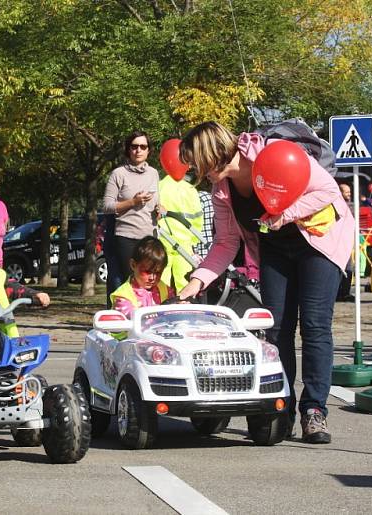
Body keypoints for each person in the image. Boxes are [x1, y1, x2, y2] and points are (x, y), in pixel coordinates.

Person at [177, 122, 354, 444]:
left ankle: (314, 411)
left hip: (319, 241)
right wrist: (196, 281)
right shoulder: (222, 190)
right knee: (275, 328)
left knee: (314, 325)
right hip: (274, 247)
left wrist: (283, 215)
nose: (193, 172)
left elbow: (327, 191)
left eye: (194, 162)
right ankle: (281, 407)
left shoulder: (272, 154)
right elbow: (226, 242)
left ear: (210, 154)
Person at [102, 131, 160, 290]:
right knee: (130, 284)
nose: (138, 150)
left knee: (148, 285)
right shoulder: (118, 174)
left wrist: (159, 208)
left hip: (149, 238)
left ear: (149, 150)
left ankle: (144, 314)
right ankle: (125, 313)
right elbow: (106, 206)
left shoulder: (154, 173)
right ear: (128, 150)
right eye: (134, 146)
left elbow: (156, 203)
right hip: (126, 237)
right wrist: (132, 202)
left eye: (143, 146)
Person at [157, 168, 203, 290]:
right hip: (185, 243)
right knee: (184, 284)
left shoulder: (159, 186)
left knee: (161, 283)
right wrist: (193, 242)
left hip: (163, 240)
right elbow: (198, 219)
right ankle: (185, 307)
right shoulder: (190, 190)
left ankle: (160, 306)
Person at [111, 236, 173, 318]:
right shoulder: (123, 296)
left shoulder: (165, 290)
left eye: (158, 272)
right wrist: (146, 314)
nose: (152, 277)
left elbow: (174, 311)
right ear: (133, 265)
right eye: (147, 271)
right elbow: (128, 314)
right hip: (135, 330)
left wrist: (179, 304)